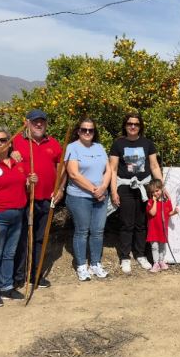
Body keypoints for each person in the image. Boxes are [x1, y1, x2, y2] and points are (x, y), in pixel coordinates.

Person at [0, 129, 36, 306]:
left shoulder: (19, 163)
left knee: (9, 253)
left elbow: (23, 187)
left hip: (17, 215)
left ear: (10, 143)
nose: (0, 143)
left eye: (4, 140)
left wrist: (30, 181)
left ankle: (6, 286)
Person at [12, 109, 64, 289]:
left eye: (42, 121)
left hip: (47, 199)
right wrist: (11, 154)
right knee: (22, 239)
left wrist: (61, 189)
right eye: (35, 122)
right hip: (24, 199)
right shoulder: (16, 141)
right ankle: (19, 276)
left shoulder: (54, 143)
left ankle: (36, 274)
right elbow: (2, 160)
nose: (39, 124)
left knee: (40, 238)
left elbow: (61, 168)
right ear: (27, 123)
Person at [110, 112, 163, 274]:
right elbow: (112, 169)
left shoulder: (147, 143)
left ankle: (140, 254)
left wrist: (161, 186)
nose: (133, 126)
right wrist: (113, 191)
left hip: (144, 188)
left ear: (140, 126)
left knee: (141, 223)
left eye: (136, 124)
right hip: (125, 187)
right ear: (125, 126)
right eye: (129, 124)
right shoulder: (118, 144)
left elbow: (154, 166)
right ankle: (125, 257)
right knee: (126, 223)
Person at [65, 118, 112, 281]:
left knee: (98, 231)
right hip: (80, 197)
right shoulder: (72, 148)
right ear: (78, 131)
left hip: (101, 195)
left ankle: (95, 263)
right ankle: (81, 266)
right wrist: (94, 190)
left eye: (90, 130)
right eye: (84, 129)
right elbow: (73, 174)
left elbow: (108, 170)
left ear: (94, 132)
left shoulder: (99, 147)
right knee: (82, 231)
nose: (87, 132)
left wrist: (104, 187)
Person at [146, 179, 179, 273]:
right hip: (153, 229)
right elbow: (152, 213)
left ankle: (161, 261)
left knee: (162, 246)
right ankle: (155, 263)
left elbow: (169, 213)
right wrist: (155, 201)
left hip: (162, 229)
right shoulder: (150, 202)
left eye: (157, 191)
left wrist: (175, 212)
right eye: (153, 192)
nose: (155, 193)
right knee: (154, 247)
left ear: (161, 189)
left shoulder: (167, 202)